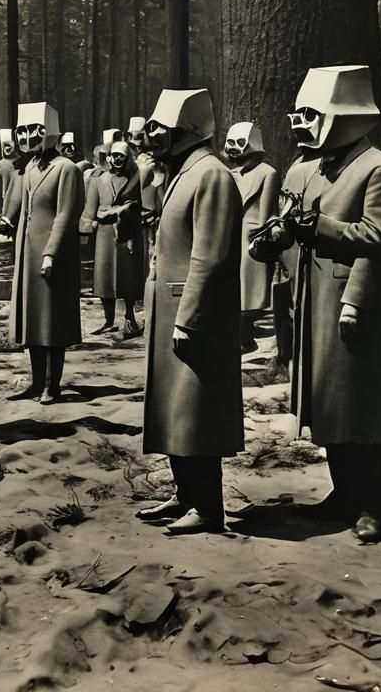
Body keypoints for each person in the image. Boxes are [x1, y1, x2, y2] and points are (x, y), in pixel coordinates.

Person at [252, 65, 381, 543]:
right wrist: (277, 236)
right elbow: (290, 222)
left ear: (342, 115)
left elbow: (377, 238)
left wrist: (318, 229)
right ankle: (344, 493)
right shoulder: (306, 168)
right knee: (329, 405)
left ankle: (373, 505)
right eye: (298, 114)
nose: (300, 124)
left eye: (310, 114)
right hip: (312, 301)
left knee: (359, 404)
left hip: (354, 303)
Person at [135, 88, 242, 535]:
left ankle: (208, 507)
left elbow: (209, 257)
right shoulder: (183, 172)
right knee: (174, 409)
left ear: (190, 130)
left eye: (163, 128)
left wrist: (189, 317)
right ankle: (185, 494)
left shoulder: (211, 174)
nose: (153, 136)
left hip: (193, 315)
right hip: (171, 309)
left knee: (196, 411)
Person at [0, 102, 83, 404]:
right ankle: (36, 382)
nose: (26, 137)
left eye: (33, 130)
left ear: (49, 131)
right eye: (21, 131)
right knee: (33, 319)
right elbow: (24, 209)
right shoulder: (30, 169)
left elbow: (66, 214)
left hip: (53, 256)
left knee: (52, 321)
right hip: (29, 253)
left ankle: (52, 384)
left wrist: (51, 253)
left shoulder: (66, 169)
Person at [223, 121, 280, 353]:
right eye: (230, 143)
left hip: (252, 237)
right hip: (232, 235)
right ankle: (241, 336)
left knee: (248, 289)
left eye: (239, 142)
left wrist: (260, 234)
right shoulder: (230, 174)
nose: (233, 148)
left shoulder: (268, 173)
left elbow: (267, 212)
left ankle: (245, 336)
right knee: (234, 288)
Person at [80, 140, 144, 339]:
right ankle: (108, 321)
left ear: (127, 158)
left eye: (121, 156)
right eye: (114, 155)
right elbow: (90, 208)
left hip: (127, 232)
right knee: (104, 277)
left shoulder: (135, 179)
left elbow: (141, 205)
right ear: (109, 157)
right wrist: (85, 229)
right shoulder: (98, 180)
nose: (117, 159)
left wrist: (127, 212)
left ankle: (130, 318)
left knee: (128, 277)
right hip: (105, 234)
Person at [0, 128, 17, 214]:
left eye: (9, 145)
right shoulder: (0, 165)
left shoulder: (20, 162)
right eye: (5, 145)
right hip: (2, 205)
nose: (7, 148)